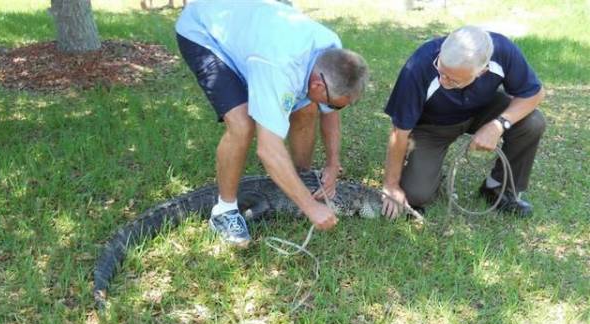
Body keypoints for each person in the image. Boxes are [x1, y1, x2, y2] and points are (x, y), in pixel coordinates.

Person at [175, 0, 369, 246]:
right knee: (242, 123)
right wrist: (311, 207)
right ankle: (224, 212)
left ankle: (298, 179)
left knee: (308, 108)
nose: (334, 109)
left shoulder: (334, 52)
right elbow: (268, 149)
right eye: (336, 103)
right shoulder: (277, 68)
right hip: (204, 31)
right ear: (318, 85)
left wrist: (333, 163)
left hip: (251, 32)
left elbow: (328, 109)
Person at [381, 25, 546, 219]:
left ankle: (498, 189)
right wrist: (391, 185)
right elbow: (399, 132)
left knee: (533, 122)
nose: (443, 81)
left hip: (482, 110)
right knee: (416, 194)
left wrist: (498, 124)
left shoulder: (503, 51)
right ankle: (432, 178)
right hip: (433, 126)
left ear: (482, 71)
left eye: (453, 80)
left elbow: (535, 93)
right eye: (441, 71)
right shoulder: (418, 66)